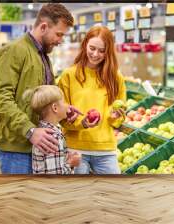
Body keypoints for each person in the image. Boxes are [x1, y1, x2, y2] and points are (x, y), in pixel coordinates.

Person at [0, 3, 80, 174]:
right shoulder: (14, 50)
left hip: (39, 147)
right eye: (58, 34)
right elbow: (0, 98)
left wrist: (63, 111)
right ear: (43, 27)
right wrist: (30, 130)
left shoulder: (43, 58)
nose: (60, 40)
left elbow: (46, 100)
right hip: (18, 151)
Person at [58, 26, 126, 174]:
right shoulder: (68, 75)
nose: (95, 54)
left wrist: (115, 118)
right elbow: (62, 118)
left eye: (102, 51)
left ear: (108, 52)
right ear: (85, 45)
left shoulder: (116, 78)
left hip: (105, 149)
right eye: (92, 48)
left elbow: (118, 117)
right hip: (75, 148)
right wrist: (81, 122)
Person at [24, 85, 81, 174]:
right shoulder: (52, 136)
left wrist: (65, 156)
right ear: (55, 108)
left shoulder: (42, 130)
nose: (67, 105)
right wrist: (71, 162)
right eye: (64, 102)